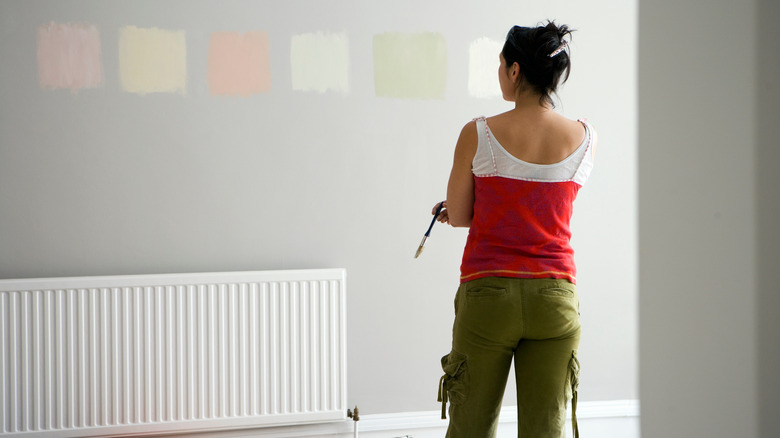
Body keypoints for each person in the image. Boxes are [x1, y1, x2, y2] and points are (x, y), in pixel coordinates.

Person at [434, 21, 596, 438]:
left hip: (489, 297)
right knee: (547, 430)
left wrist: (453, 210)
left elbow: (465, 214)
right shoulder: (585, 138)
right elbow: (548, 208)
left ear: (515, 70)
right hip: (555, 298)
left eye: (501, 63)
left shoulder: (479, 133)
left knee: (470, 427)